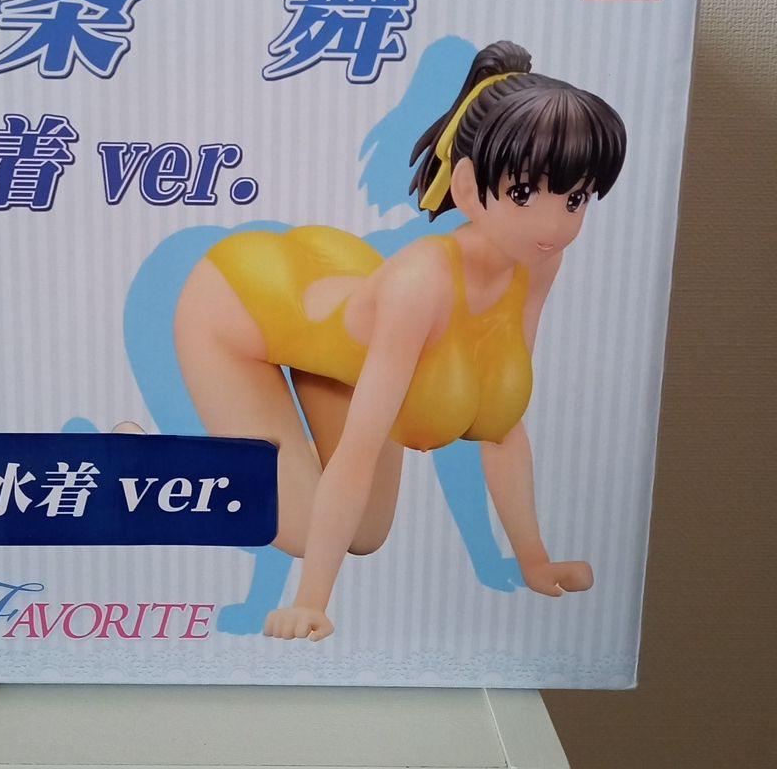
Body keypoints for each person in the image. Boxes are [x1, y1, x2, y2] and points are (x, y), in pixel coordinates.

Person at [173, 40, 627, 641]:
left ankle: (285, 421)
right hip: (237, 305)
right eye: (523, 193)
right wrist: (311, 602)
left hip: (334, 290)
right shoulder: (423, 285)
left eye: (575, 199)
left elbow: (501, 420)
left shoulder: (536, 259)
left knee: (364, 535)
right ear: (469, 187)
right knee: (308, 533)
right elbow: (359, 452)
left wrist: (533, 560)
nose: (554, 223)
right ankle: (148, 454)